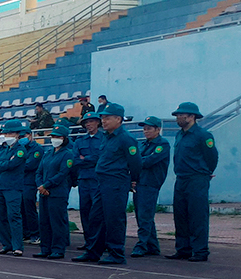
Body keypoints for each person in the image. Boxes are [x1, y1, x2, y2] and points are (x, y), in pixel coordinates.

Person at [72, 102, 139, 265]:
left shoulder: (125, 138)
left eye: (107, 118)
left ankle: (116, 253)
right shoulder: (107, 137)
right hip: (101, 182)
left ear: (118, 119)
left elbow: (135, 162)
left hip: (116, 182)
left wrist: (133, 180)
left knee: (114, 218)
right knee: (95, 217)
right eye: (102, 117)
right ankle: (93, 251)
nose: (103, 121)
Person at [168, 101, 219, 262]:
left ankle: (200, 251)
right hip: (181, 179)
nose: (178, 118)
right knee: (180, 215)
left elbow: (212, 158)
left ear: (191, 117)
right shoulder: (179, 134)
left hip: (197, 179)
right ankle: (183, 249)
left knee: (197, 216)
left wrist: (205, 173)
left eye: (180, 115)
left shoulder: (203, 135)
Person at [131, 116, 170, 258]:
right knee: (142, 215)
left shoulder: (162, 144)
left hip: (150, 183)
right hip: (140, 183)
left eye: (149, 128)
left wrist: (137, 161)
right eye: (144, 128)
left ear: (158, 129)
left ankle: (141, 245)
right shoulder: (144, 145)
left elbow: (148, 161)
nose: (145, 131)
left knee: (145, 216)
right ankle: (152, 246)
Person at [35, 124, 75, 259]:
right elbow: (39, 172)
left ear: (64, 138)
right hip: (44, 192)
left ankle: (58, 249)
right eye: (52, 136)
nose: (54, 139)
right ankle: (45, 248)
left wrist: (46, 185)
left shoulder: (68, 154)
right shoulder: (47, 153)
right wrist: (41, 185)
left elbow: (62, 173)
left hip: (57, 193)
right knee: (44, 221)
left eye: (57, 137)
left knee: (57, 221)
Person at [0, 121, 28, 256]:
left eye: (11, 133)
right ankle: (6, 244)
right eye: (6, 133)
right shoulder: (3, 150)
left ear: (18, 134)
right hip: (1, 187)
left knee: (14, 216)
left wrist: (4, 165)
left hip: (13, 187)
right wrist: (5, 164)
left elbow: (13, 164)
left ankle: (17, 246)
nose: (8, 136)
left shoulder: (20, 150)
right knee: (1, 217)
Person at [72, 111, 105, 250]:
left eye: (91, 121)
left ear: (97, 122)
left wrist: (85, 159)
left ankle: (100, 241)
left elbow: (101, 158)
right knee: (85, 211)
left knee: (98, 212)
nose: (88, 124)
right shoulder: (80, 141)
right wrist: (90, 160)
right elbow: (74, 160)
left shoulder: (104, 138)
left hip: (98, 180)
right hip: (84, 180)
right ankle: (89, 241)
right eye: (86, 122)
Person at [20, 125, 43, 244]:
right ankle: (26, 233)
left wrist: (16, 164)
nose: (21, 139)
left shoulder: (37, 149)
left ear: (30, 135)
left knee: (29, 208)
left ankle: (35, 233)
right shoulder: (20, 148)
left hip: (30, 182)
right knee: (21, 208)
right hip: (21, 181)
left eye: (23, 136)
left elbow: (29, 165)